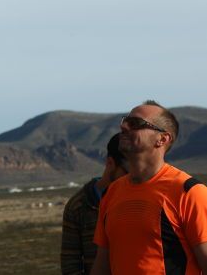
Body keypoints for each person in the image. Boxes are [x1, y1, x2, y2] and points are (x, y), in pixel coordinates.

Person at [91, 100, 207, 274]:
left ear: (162, 139)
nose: (123, 126)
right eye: (125, 120)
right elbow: (102, 264)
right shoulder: (111, 193)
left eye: (135, 123)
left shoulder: (189, 192)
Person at [60, 133, 127, 274]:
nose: (133, 176)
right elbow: (70, 264)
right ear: (110, 163)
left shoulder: (145, 199)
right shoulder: (78, 205)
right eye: (127, 171)